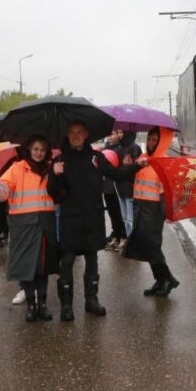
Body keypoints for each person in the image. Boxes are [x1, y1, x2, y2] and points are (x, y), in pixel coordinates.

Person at [48, 121, 140, 321]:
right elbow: (53, 193)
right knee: (67, 261)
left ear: (86, 134)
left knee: (92, 259)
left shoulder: (96, 158)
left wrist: (136, 166)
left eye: (80, 132)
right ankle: (66, 305)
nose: (76, 135)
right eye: (72, 131)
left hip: (92, 216)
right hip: (70, 218)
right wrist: (56, 176)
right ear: (68, 134)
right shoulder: (59, 160)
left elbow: (116, 174)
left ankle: (91, 300)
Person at [0, 136, 59, 322]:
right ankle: (31, 305)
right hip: (23, 224)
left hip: (45, 223)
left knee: (43, 267)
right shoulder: (16, 168)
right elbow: (4, 188)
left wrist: (58, 175)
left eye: (42, 150)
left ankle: (43, 305)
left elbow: (60, 192)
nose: (39, 153)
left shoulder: (51, 169)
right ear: (29, 150)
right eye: (35, 149)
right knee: (27, 267)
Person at [123, 127, 180, 296]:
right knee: (147, 245)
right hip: (140, 206)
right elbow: (136, 179)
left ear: (161, 142)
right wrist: (129, 168)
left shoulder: (164, 162)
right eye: (149, 139)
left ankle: (168, 279)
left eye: (154, 140)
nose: (150, 143)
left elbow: (168, 191)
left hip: (154, 209)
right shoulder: (143, 158)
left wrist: (167, 213)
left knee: (152, 246)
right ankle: (161, 280)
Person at [114, 131, 142, 249]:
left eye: (121, 132)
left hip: (129, 189)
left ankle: (132, 243)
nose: (120, 135)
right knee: (126, 219)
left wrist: (129, 166)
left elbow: (138, 170)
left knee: (130, 219)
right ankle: (129, 241)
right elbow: (115, 169)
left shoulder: (135, 148)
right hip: (122, 189)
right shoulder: (119, 149)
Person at [102, 129, 126, 250]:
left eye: (113, 134)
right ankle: (115, 235)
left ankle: (123, 236)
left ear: (118, 135)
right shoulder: (104, 149)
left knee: (119, 213)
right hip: (106, 186)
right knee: (112, 213)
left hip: (116, 187)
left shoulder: (121, 150)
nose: (110, 136)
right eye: (109, 133)